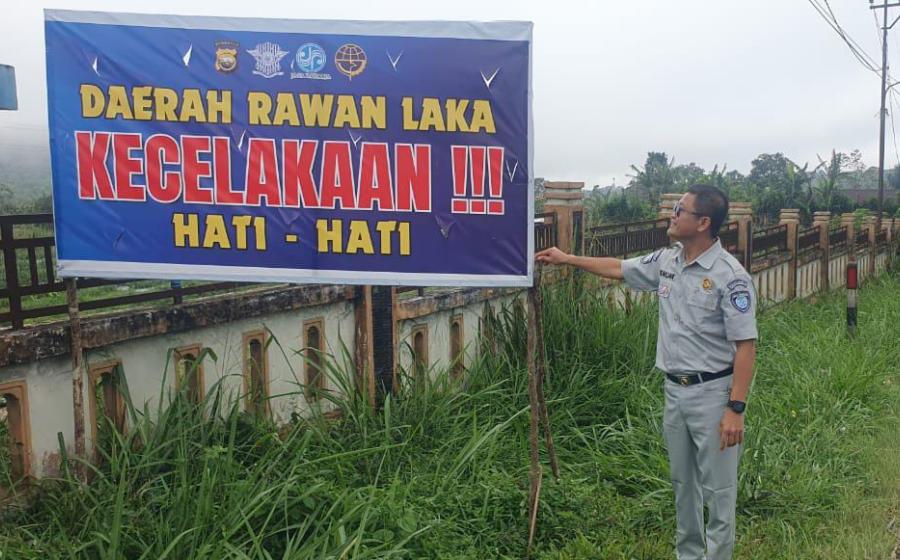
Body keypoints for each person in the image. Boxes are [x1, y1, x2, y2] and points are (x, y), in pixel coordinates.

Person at [535, 184, 757, 560]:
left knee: (719, 492)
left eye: (680, 210)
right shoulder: (668, 261)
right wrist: (567, 258)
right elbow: (618, 269)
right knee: (683, 485)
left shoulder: (730, 277)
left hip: (712, 395)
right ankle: (689, 555)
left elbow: (746, 346)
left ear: (703, 222)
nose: (673, 215)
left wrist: (735, 408)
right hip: (675, 392)